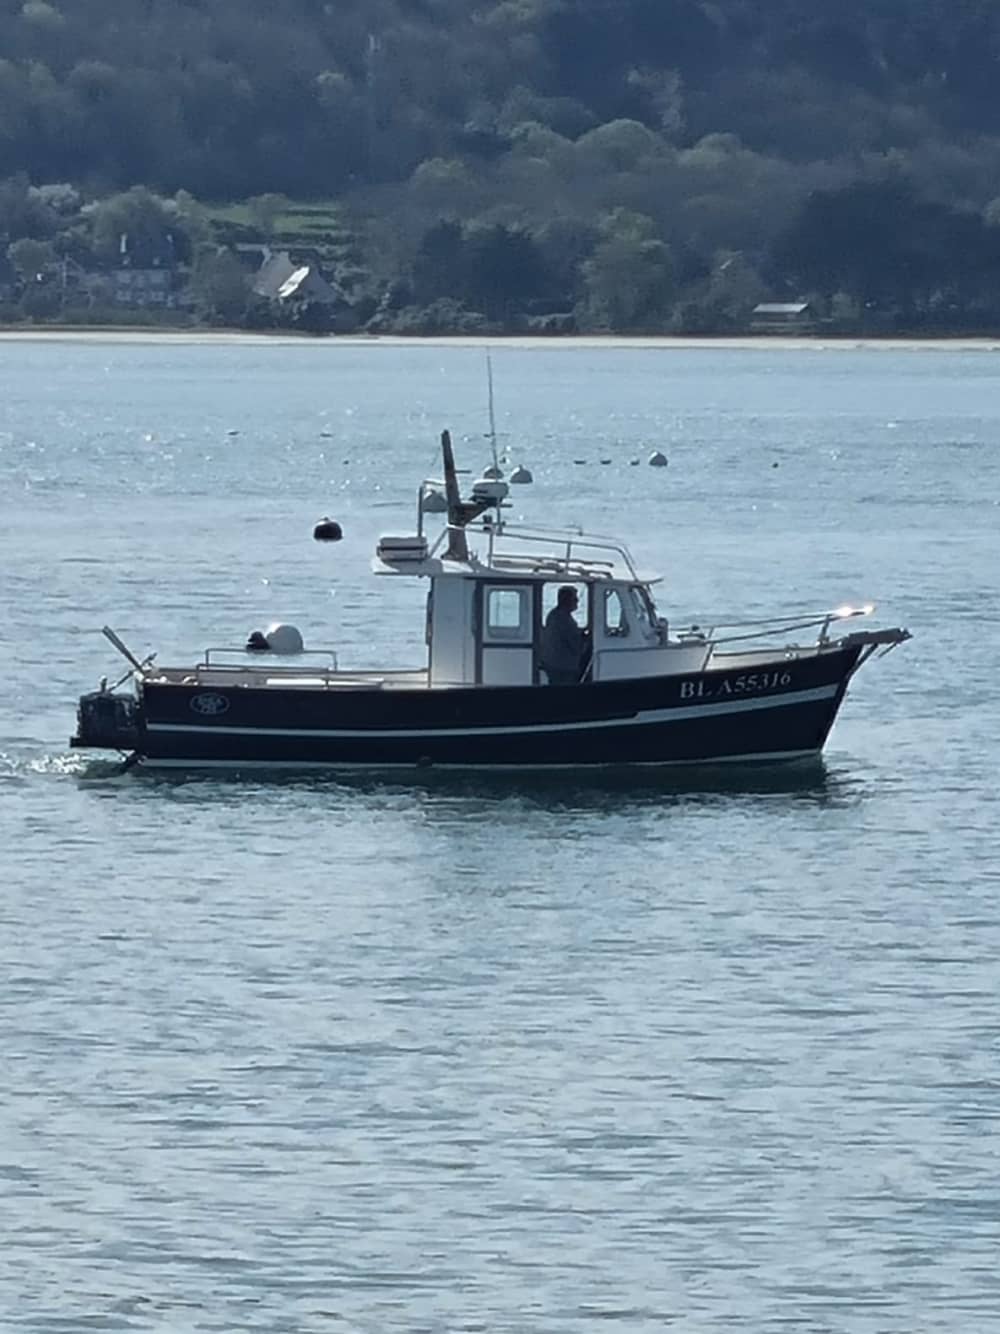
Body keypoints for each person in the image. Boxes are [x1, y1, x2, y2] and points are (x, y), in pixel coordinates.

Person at [540, 585, 588, 684]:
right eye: (575, 599)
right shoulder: (563, 619)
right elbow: (576, 645)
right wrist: (586, 641)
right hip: (562, 667)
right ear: (566, 600)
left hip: (553, 663)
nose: (577, 601)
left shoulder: (554, 614)